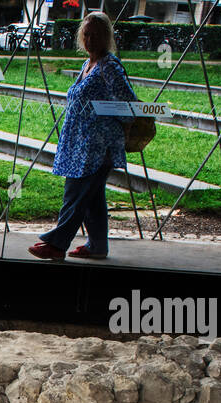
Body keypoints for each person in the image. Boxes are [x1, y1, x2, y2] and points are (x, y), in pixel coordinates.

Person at [28, 11, 135, 261]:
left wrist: (107, 122)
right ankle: (98, 246)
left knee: (75, 195)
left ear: (106, 37)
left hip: (98, 146)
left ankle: (56, 244)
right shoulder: (88, 65)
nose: (90, 39)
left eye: (96, 34)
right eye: (86, 34)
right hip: (80, 144)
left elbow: (128, 105)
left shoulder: (110, 67)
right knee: (91, 197)